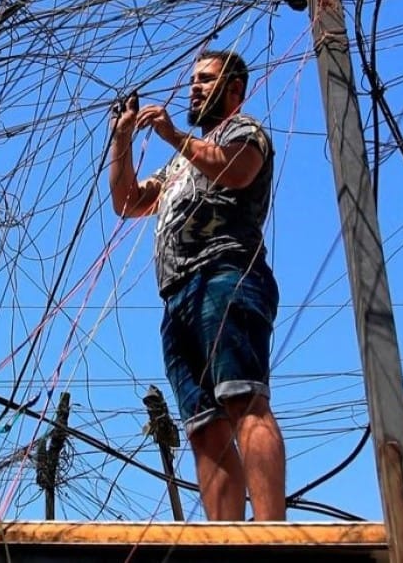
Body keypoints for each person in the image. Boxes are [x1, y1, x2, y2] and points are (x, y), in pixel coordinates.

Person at [107, 49, 286, 522]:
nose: (195, 88)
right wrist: (121, 141)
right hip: (178, 297)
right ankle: (224, 539)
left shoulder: (243, 132)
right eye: (192, 81)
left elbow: (236, 169)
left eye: (206, 80)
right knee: (205, 427)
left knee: (243, 398)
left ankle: (272, 534)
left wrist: (172, 134)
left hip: (225, 276)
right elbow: (127, 202)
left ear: (234, 91)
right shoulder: (177, 168)